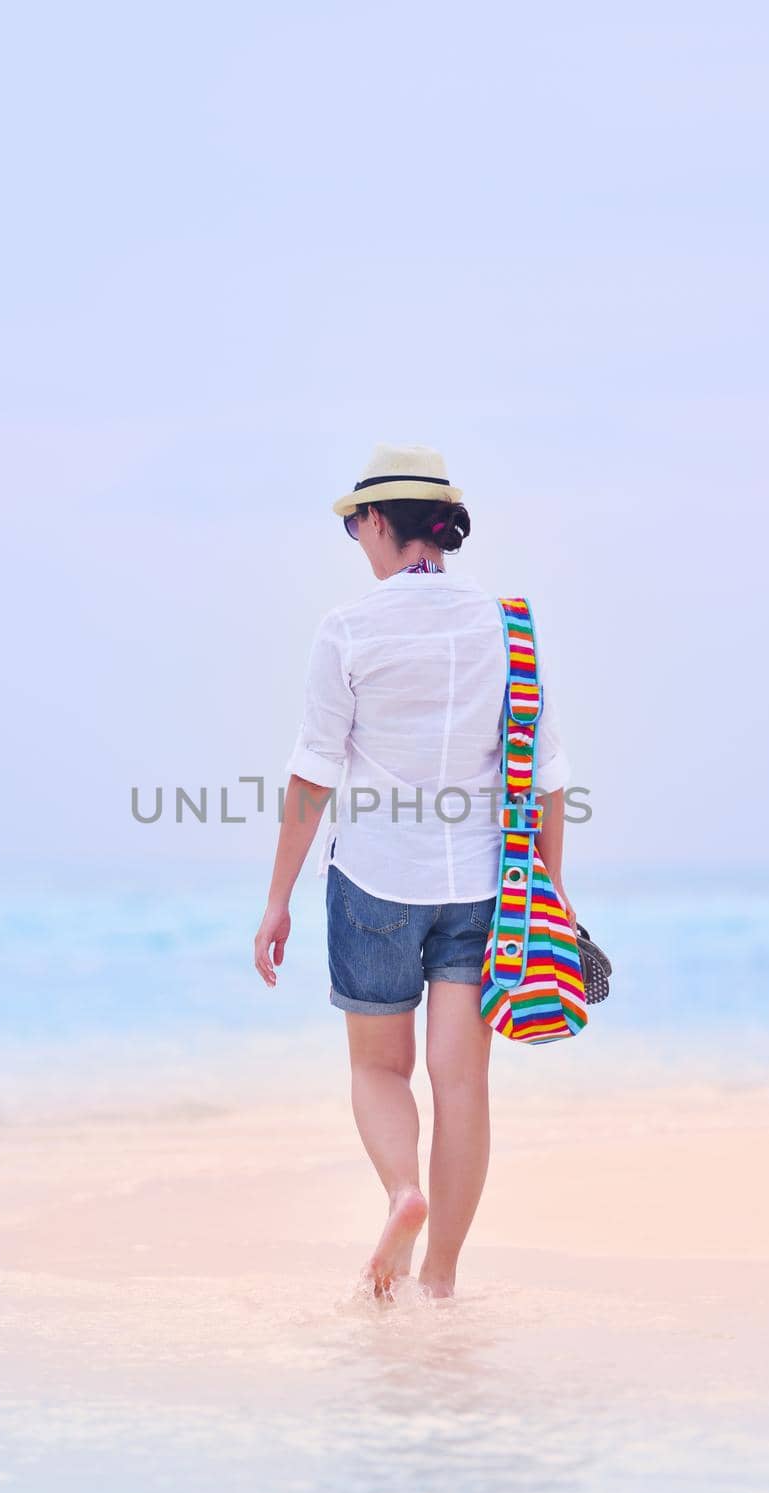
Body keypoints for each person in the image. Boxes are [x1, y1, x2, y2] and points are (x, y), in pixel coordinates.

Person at [253, 443, 575, 1302]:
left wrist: (278, 898)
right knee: (461, 1077)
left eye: (356, 522)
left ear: (377, 522)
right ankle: (441, 1280)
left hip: (374, 883)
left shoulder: (349, 629)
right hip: (481, 887)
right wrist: (553, 889)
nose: (355, 536)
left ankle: (404, 1192)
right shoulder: (509, 624)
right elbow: (547, 777)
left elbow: (314, 772)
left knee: (377, 1071)